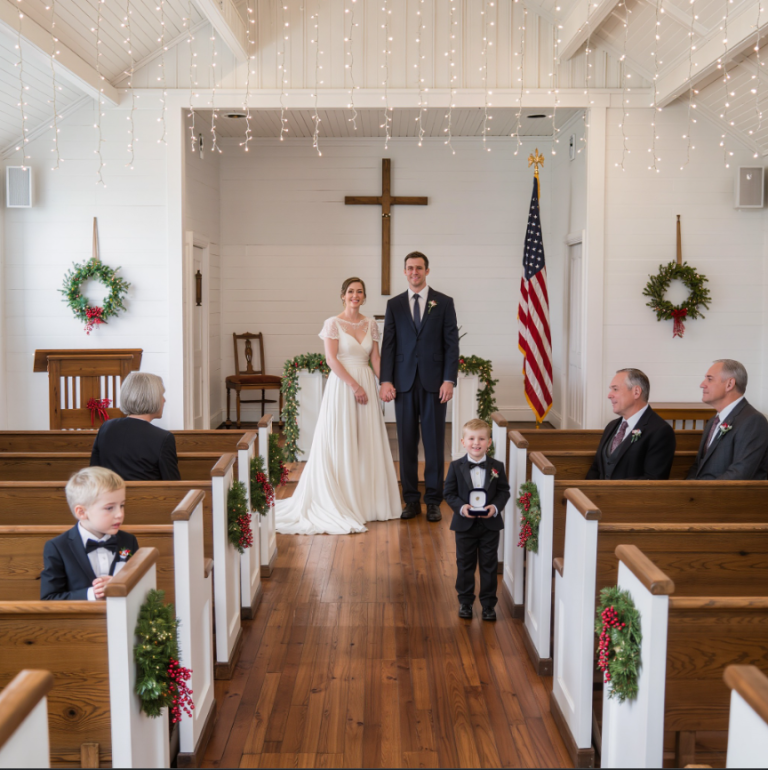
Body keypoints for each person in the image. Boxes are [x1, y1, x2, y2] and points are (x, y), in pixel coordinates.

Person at [275, 277, 401, 534]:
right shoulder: (332, 323)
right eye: (351, 291)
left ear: (364, 297)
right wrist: (355, 387)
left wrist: (384, 383)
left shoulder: (371, 324)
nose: (355, 295)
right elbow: (331, 360)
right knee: (341, 439)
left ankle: (367, 503)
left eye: (360, 292)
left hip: (366, 379)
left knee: (366, 440)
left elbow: (375, 357)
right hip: (343, 386)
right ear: (343, 295)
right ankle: (341, 500)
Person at [379, 252, 460, 522]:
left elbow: (452, 344)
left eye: (419, 268)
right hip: (403, 382)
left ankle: (434, 500)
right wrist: (386, 380)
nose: (415, 272)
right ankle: (411, 500)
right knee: (406, 443)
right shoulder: (395, 304)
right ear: (404, 272)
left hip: (435, 383)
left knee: (435, 443)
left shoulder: (444, 302)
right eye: (410, 268)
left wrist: (449, 379)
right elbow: (388, 345)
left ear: (427, 271)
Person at [444, 419, 510, 621]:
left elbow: (503, 491)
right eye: (471, 438)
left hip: (490, 525)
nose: (476, 443)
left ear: (489, 442)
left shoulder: (497, 466)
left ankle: (489, 605)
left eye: (481, 438)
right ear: (463, 442)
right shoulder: (455, 466)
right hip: (464, 525)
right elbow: (449, 493)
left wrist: (495, 507)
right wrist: (462, 508)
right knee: (465, 564)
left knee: (489, 565)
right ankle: (465, 602)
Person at [40, 467, 137, 601]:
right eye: (109, 508)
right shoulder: (58, 547)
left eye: (122, 505)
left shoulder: (128, 541)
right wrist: (92, 594)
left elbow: (140, 585)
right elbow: (50, 598)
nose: (120, 514)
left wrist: (122, 585)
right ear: (81, 512)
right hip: (80, 621)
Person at [586, 368, 676, 480]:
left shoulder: (660, 431)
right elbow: (596, 469)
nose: (609, 395)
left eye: (615, 389)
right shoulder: (611, 426)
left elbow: (652, 480)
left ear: (636, 392)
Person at [90, 372, 181, 481]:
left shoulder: (106, 428)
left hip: (108, 496)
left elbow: (94, 473)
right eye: (162, 395)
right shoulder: (163, 438)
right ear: (152, 398)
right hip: (147, 497)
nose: (164, 400)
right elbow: (172, 484)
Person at [687, 359, 768, 480]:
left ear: (729, 384)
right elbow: (698, 467)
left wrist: (700, 494)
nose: (702, 384)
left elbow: (739, 474)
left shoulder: (753, 421)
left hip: (726, 497)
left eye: (709, 379)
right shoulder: (712, 422)